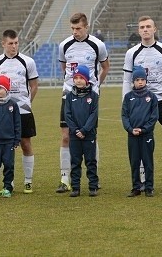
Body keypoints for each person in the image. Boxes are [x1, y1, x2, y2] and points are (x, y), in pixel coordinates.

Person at [123, 16, 162, 189]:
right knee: (140, 137)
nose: (145, 29)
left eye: (148, 26)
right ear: (138, 31)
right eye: (142, 27)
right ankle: (142, 178)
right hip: (140, 101)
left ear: (155, 29)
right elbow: (127, 79)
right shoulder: (132, 53)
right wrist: (126, 102)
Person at [55, 12, 110, 193]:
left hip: (89, 96)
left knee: (90, 136)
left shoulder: (97, 45)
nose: (75, 32)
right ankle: (65, 178)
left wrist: (95, 87)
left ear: (86, 27)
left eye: (78, 28)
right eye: (72, 28)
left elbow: (105, 66)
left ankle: (94, 177)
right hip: (69, 94)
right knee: (66, 136)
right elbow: (64, 68)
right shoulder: (64, 45)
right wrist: (70, 86)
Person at [0, 29, 39, 193]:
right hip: (3, 112)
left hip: (23, 111)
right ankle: (9, 182)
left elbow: (34, 85)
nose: (14, 46)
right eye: (10, 43)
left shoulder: (27, 62)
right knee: (5, 146)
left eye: (16, 43)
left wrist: (26, 103)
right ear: (3, 44)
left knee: (25, 144)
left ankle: (28, 180)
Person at [121, 66, 158, 197]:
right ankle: (136, 187)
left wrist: (143, 129)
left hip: (146, 135)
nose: (140, 82)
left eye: (142, 79)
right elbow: (124, 115)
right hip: (132, 135)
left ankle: (149, 187)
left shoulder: (152, 97)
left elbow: (154, 117)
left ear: (146, 81)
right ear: (133, 81)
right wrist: (130, 129)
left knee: (148, 162)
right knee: (134, 162)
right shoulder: (128, 97)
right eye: (137, 79)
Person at [65, 66, 100, 197]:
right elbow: (67, 115)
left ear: (86, 80)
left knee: (91, 161)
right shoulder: (69, 96)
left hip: (88, 133)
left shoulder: (93, 96)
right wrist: (75, 130)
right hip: (74, 135)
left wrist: (84, 130)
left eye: (81, 78)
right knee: (75, 161)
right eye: (76, 78)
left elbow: (93, 115)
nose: (78, 80)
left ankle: (93, 186)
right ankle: (75, 187)